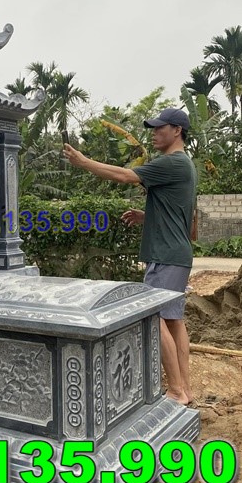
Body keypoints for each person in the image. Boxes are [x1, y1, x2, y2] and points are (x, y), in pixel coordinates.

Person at [63, 107, 197, 405]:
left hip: (165, 254)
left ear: (177, 130)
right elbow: (181, 211)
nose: (154, 133)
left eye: (160, 128)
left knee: (154, 317)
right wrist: (146, 216)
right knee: (174, 321)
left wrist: (83, 162)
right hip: (177, 252)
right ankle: (185, 389)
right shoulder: (185, 164)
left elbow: (124, 176)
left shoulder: (171, 162)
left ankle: (176, 390)